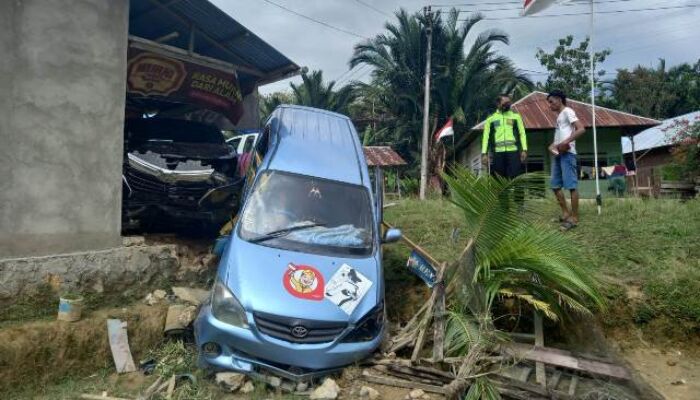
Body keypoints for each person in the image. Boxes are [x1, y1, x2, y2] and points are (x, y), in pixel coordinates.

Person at [546, 90, 586, 231]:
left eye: (551, 102)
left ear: (559, 100)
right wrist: (553, 145)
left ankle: (574, 218)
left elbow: (581, 129)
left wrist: (566, 142)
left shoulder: (568, 111)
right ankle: (565, 213)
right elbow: (560, 135)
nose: (549, 105)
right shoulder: (558, 117)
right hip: (558, 154)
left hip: (568, 153)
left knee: (571, 186)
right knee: (555, 186)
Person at [481, 94, 528, 179]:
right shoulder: (491, 119)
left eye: (509, 102)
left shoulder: (516, 117)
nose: (508, 104)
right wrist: (484, 153)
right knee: (499, 180)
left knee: (516, 178)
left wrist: (524, 149)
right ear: (498, 104)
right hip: (498, 153)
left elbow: (522, 133)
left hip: (513, 152)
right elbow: (486, 137)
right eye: (505, 103)